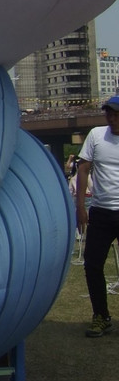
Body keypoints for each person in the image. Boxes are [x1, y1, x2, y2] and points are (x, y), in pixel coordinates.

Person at [76, 96, 119, 338]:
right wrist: (81, 206)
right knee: (92, 265)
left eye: (116, 114)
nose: (111, 118)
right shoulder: (96, 135)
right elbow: (83, 168)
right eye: (108, 114)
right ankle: (101, 316)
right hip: (101, 211)